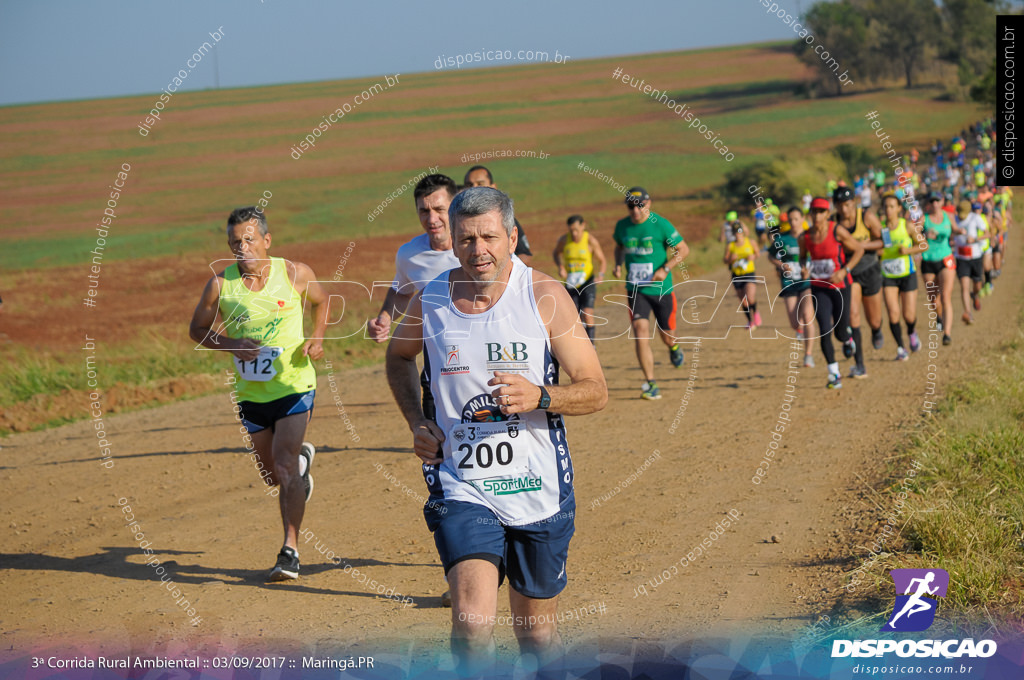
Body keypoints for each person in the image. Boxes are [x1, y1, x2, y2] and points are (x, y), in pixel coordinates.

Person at [385, 187, 607, 677]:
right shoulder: (433, 298)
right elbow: (398, 357)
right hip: (462, 483)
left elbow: (595, 390)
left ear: (511, 237)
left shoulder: (545, 296)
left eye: (488, 237)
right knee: (472, 625)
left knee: (538, 637)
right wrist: (417, 422)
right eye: (466, 240)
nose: (477, 250)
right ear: (453, 243)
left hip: (538, 486)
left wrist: (541, 396)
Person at [188, 207, 327, 581]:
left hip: (295, 385)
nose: (242, 247)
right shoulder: (221, 285)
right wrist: (230, 343)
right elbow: (198, 330)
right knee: (273, 476)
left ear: (267, 240)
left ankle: (290, 551)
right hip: (251, 393)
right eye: (235, 241)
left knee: (282, 467)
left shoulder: (295, 273)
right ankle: (300, 467)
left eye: (249, 239)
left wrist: (316, 337)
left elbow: (322, 301)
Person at [612, 187, 689, 400]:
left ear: (649, 204)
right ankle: (651, 383)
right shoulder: (622, 227)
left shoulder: (660, 224)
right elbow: (619, 247)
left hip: (661, 289)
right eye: (631, 207)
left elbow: (683, 249)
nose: (635, 211)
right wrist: (618, 265)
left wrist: (665, 268)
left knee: (667, 335)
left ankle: (673, 348)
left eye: (640, 206)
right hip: (636, 290)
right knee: (640, 330)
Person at [368, 174, 461, 343]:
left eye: (440, 209)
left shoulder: (480, 247)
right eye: (424, 211)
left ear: (455, 208)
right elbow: (402, 293)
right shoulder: (410, 255)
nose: (432, 220)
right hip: (439, 353)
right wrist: (385, 318)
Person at [800, 197, 864, 389]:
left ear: (827, 214)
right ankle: (834, 374)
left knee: (840, 330)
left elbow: (859, 249)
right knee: (824, 330)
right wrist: (804, 268)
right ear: (810, 214)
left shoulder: (837, 230)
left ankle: (847, 338)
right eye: (814, 212)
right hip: (819, 287)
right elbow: (803, 258)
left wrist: (845, 271)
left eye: (821, 212)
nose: (817, 215)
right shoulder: (805, 237)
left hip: (840, 286)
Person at [833, 185, 883, 379]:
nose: (844, 210)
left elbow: (883, 241)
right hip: (849, 272)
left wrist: (860, 246)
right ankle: (859, 364)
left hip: (869, 269)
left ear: (853, 202)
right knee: (853, 315)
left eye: (847, 204)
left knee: (874, 319)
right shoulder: (834, 223)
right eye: (839, 206)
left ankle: (877, 330)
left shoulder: (867, 217)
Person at [878, 194, 925, 361]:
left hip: (907, 274)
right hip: (888, 276)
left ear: (898, 208)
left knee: (909, 315)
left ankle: (912, 332)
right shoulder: (880, 228)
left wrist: (908, 251)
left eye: (892, 206)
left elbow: (923, 245)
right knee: (893, 314)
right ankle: (900, 347)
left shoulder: (907, 226)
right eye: (886, 207)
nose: (888, 210)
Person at [770, 206, 815, 365]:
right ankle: (799, 329)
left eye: (796, 219)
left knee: (808, 317)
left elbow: (818, 256)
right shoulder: (782, 239)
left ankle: (808, 354)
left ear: (802, 219)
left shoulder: (810, 236)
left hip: (806, 282)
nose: (794, 223)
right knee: (795, 322)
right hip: (789, 283)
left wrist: (808, 270)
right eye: (791, 220)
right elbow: (771, 256)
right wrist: (781, 265)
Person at [464, 165, 534, 266]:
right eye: (469, 184)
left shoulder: (504, 218)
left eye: (480, 183)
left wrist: (500, 271)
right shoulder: (457, 221)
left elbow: (525, 256)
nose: (474, 188)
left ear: (493, 187)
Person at [553, 215, 607, 342]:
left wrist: (601, 275)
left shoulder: (590, 241)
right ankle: (580, 343)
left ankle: (591, 345)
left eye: (577, 230)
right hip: (571, 283)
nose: (574, 233)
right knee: (573, 316)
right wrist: (561, 266)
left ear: (583, 225)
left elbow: (602, 260)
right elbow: (556, 253)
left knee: (587, 313)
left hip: (587, 281)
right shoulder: (564, 240)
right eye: (571, 230)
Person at [920, 193, 956, 346]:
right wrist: (924, 235)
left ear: (941, 201)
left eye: (937, 200)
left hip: (945, 259)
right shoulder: (924, 219)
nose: (935, 203)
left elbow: (956, 229)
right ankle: (939, 316)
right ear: (929, 204)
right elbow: (914, 234)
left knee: (945, 296)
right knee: (934, 299)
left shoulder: (949, 216)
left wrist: (963, 233)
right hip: (928, 261)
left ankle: (947, 333)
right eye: (932, 201)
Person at [952, 200, 985, 325]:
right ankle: (968, 312)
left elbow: (988, 233)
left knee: (978, 285)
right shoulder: (955, 219)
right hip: (961, 258)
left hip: (976, 257)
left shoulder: (975, 218)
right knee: (964, 286)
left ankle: (975, 295)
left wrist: (975, 239)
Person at [724, 224, 761, 329]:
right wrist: (731, 259)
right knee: (743, 300)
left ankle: (756, 312)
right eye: (735, 231)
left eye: (739, 231)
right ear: (733, 233)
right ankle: (750, 321)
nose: (738, 234)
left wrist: (753, 256)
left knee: (749, 297)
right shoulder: (730, 245)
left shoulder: (750, 242)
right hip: (736, 275)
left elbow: (758, 253)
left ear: (743, 232)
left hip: (749, 273)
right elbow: (725, 260)